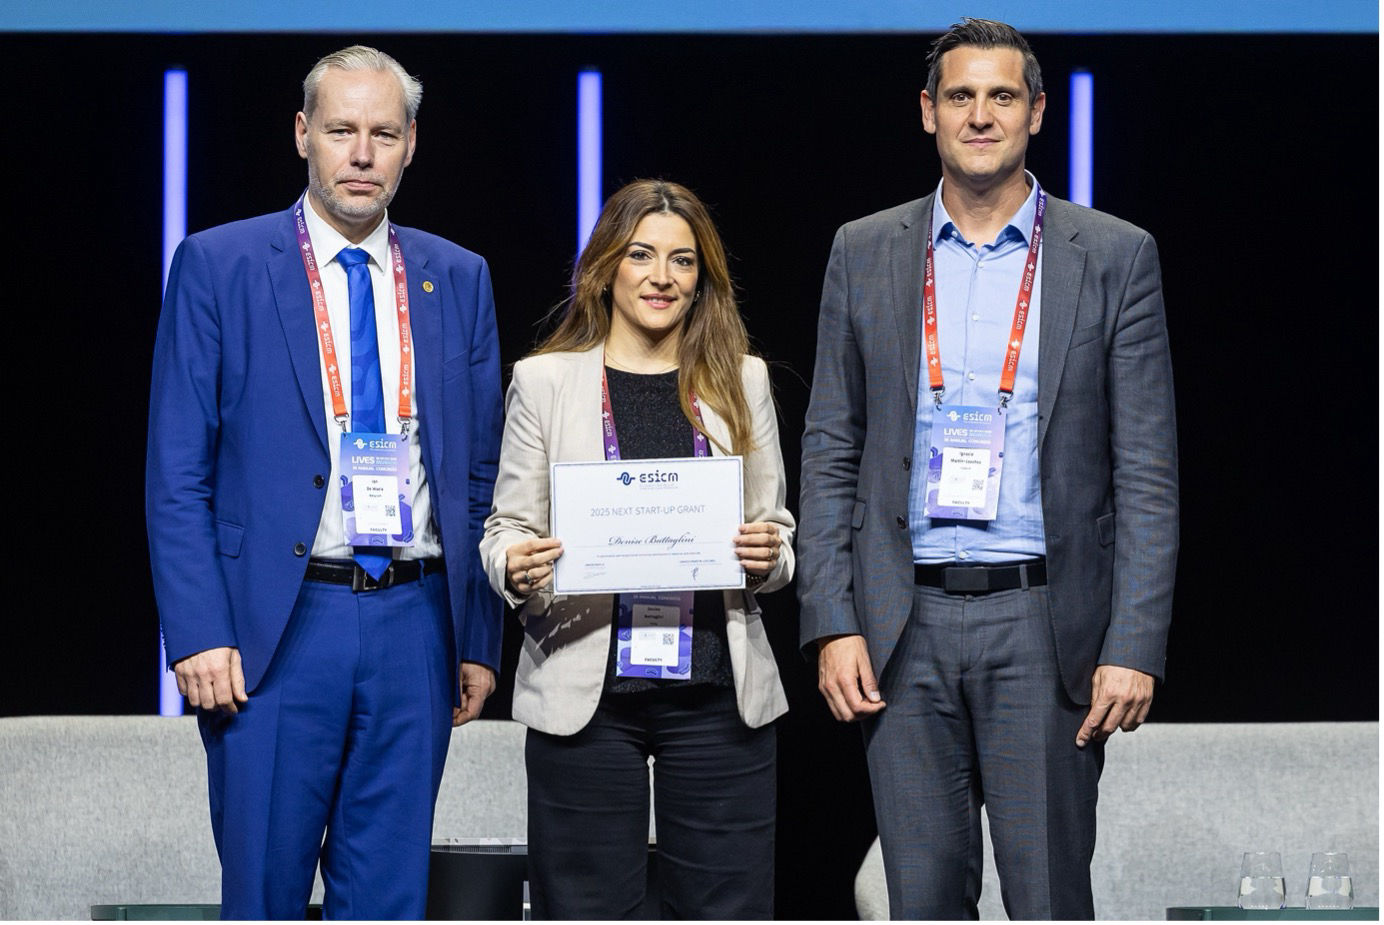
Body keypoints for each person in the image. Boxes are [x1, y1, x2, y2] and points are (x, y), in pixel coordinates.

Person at [797, 18, 1178, 920]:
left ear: (1036, 112)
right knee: (922, 901)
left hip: (1045, 625)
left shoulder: (1114, 254)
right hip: (902, 625)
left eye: (1002, 96)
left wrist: (1133, 643)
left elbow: (1148, 470)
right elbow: (830, 447)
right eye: (960, 96)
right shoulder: (864, 249)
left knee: (1048, 899)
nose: (980, 115)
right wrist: (831, 620)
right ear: (927, 111)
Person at [145, 45, 503, 919]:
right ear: (303, 134)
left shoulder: (457, 276)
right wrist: (198, 630)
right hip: (275, 627)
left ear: (411, 143)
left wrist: (477, 636)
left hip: (416, 621)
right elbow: (177, 470)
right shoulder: (220, 264)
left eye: (384, 133)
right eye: (342, 131)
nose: (362, 154)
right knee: (263, 894)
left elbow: (479, 475)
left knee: (388, 898)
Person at [480, 179, 794, 919]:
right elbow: (505, 529)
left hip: (717, 693)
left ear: (701, 277)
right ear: (605, 268)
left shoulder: (742, 378)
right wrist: (514, 566)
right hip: (587, 698)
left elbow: (777, 532)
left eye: (682, 260)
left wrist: (768, 556)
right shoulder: (545, 382)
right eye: (641, 255)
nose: (662, 276)